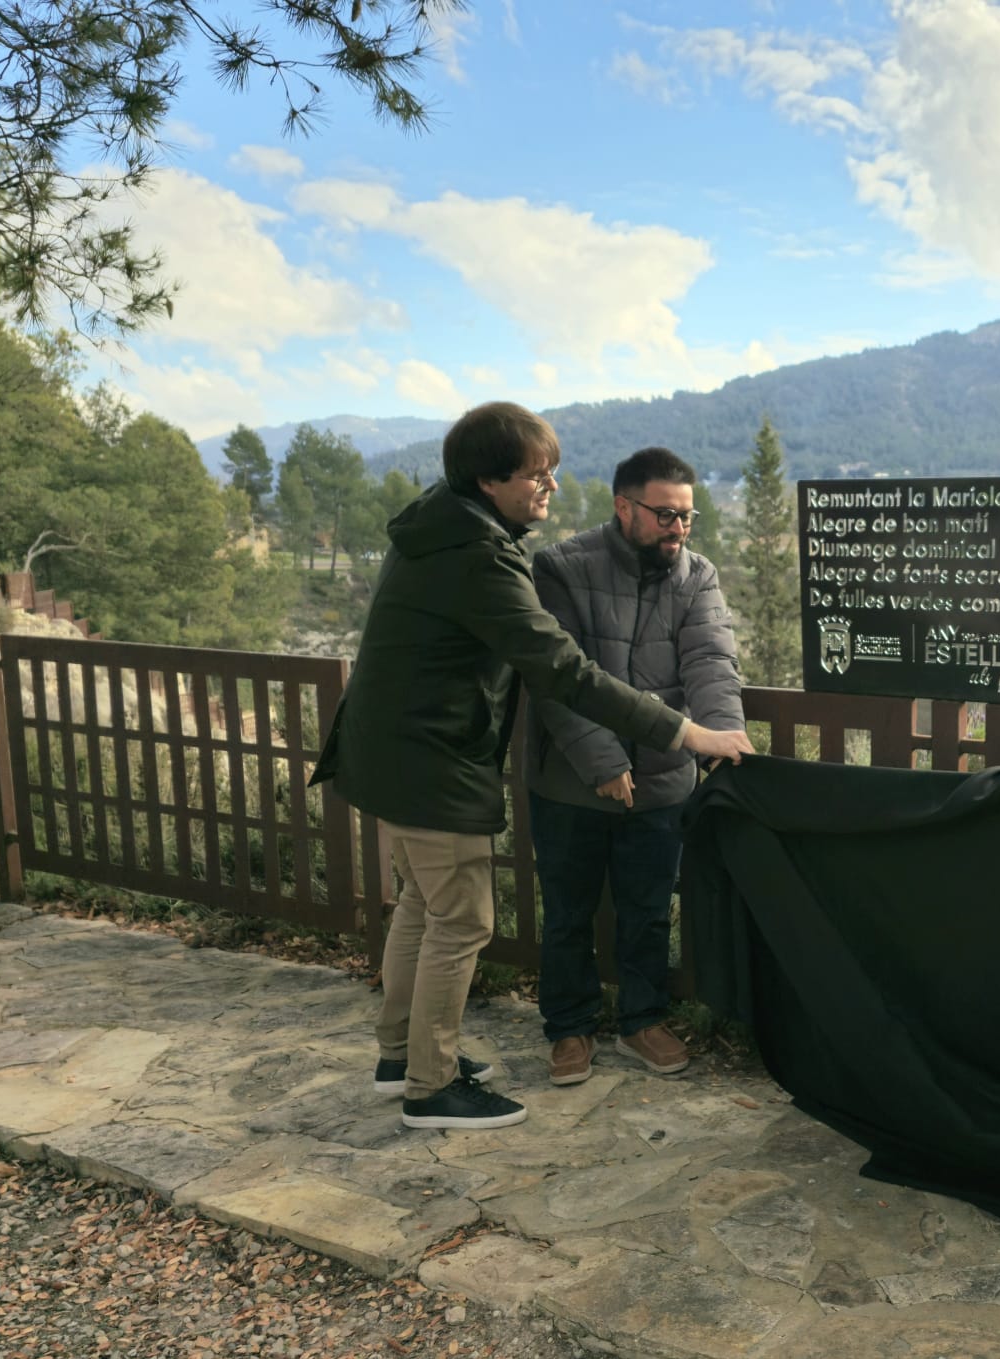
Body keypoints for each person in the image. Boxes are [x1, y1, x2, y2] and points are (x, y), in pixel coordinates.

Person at [309, 403, 752, 1131]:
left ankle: (399, 1054)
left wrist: (706, 730)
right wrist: (684, 733)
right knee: (462, 922)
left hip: (395, 753)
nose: (549, 486)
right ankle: (432, 1085)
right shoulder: (484, 556)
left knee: (421, 908)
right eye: (535, 475)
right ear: (488, 480)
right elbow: (561, 672)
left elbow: (710, 659)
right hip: (433, 761)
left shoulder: (444, 524)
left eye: (551, 472)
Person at [527, 447, 742, 1086]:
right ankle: (569, 1028)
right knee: (567, 910)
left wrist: (724, 738)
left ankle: (642, 1020)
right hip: (570, 780)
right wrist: (600, 758)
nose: (678, 528)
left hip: (663, 778)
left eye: (687, 516)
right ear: (624, 507)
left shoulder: (697, 577)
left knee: (648, 909)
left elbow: (710, 663)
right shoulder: (560, 568)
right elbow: (554, 677)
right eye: (665, 515)